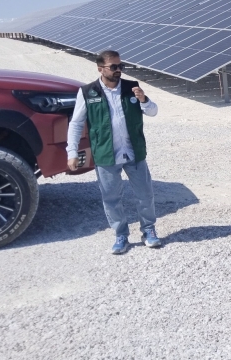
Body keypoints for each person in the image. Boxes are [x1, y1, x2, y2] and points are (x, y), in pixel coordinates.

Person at [67, 49, 161, 255]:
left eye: (121, 66)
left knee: (145, 194)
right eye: (114, 67)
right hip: (106, 154)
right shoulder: (88, 92)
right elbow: (76, 123)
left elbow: (153, 111)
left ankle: (148, 230)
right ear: (100, 69)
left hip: (134, 151)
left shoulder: (132, 87)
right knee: (111, 198)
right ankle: (121, 235)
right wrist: (71, 152)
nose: (119, 70)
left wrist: (144, 99)